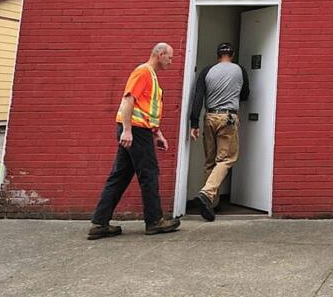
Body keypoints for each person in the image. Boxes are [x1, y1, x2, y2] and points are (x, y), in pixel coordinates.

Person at [87, 42, 181, 239]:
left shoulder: (151, 76)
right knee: (149, 173)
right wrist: (127, 130)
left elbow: (147, 110)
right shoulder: (144, 72)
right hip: (135, 131)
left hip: (138, 130)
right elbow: (129, 100)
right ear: (160, 54)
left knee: (120, 176)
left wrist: (157, 133)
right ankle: (155, 221)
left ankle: (99, 224)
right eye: (170, 57)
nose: (171, 62)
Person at [188, 41, 250, 221]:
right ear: (231, 55)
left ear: (217, 55)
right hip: (228, 118)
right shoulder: (240, 70)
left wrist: (194, 124)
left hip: (209, 118)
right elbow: (245, 94)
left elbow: (198, 97)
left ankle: (210, 205)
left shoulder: (207, 71)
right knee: (226, 159)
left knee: (210, 161)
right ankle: (207, 194)